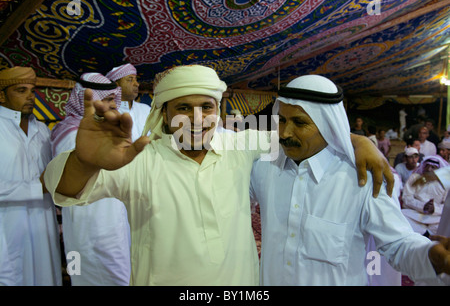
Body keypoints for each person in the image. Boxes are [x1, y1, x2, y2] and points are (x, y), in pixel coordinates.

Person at [43, 65, 394, 285]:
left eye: (206, 107)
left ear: (219, 110)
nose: (197, 117)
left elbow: (305, 132)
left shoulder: (241, 146)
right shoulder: (137, 159)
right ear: (164, 113)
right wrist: (84, 161)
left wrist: (357, 139)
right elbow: (64, 189)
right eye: (183, 107)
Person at [250, 74, 450, 285]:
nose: (284, 132)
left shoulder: (362, 178)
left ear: (328, 126)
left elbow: (398, 244)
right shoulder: (264, 167)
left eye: (300, 123)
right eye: (281, 120)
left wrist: (431, 257)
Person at [50, 73, 131, 286]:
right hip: (92, 227)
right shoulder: (71, 135)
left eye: (114, 99)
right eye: (106, 100)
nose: (113, 105)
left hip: (111, 223)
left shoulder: (105, 132)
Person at [0, 66, 62, 285]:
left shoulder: (43, 130)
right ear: (2, 95)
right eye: (21, 90)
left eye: (32, 90)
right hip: (8, 226)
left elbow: (52, 175)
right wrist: (38, 187)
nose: (29, 96)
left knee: (46, 276)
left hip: (43, 223)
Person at [401, 156, 449, 236]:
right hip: (415, 213)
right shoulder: (415, 178)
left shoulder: (445, 184)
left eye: (433, 167)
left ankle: (426, 235)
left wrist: (434, 208)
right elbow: (407, 198)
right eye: (427, 166)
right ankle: (425, 234)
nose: (429, 169)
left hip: (435, 217)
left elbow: (446, 206)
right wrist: (422, 206)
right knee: (402, 215)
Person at [105, 63, 151, 140]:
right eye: (130, 80)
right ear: (116, 85)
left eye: (136, 80)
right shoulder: (107, 114)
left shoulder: (146, 109)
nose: (137, 84)